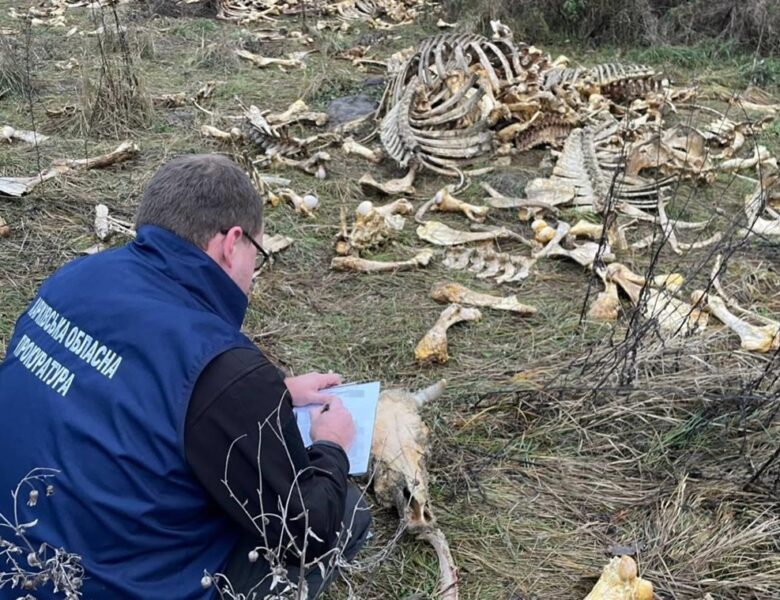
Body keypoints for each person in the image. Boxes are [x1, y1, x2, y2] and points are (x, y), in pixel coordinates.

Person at [0, 154, 371, 599]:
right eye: (258, 253)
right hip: (109, 587)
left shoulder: (74, 278)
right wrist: (331, 446)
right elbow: (306, 532)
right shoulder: (223, 366)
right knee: (344, 511)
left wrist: (276, 396)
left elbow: (120, 385)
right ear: (232, 243)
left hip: (17, 562)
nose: (254, 273)